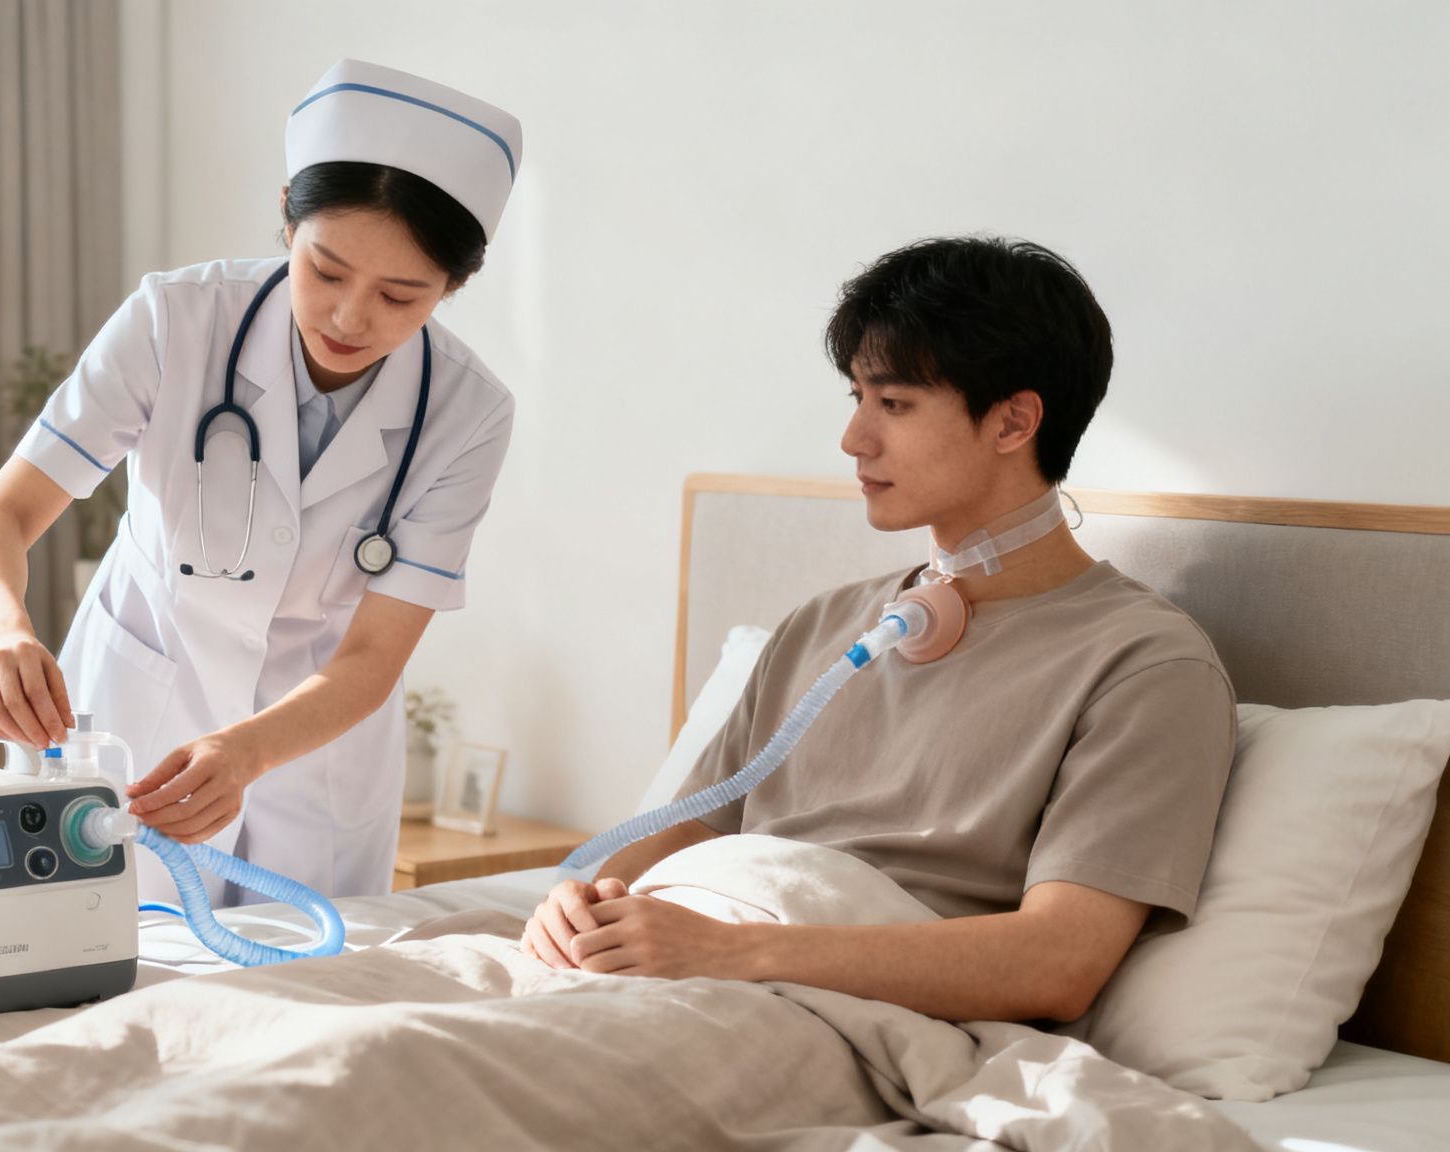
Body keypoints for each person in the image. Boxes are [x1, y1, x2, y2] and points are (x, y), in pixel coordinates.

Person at [524, 237, 1237, 1024]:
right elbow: (693, 822)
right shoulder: (822, 627)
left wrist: (734, 953)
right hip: (654, 975)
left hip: (804, 1011)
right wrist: (581, 904)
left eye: (893, 404)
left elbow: (1058, 961)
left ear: (1014, 422)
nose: (854, 439)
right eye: (856, 398)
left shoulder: (1143, 664)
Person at [0, 59, 522, 905]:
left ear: (453, 286)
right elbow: (0, 515)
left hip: (314, 750)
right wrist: (2, 631)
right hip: (139, 707)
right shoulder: (173, 321)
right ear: (287, 220)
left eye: (402, 296)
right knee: (82, 971)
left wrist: (251, 750)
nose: (351, 318)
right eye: (326, 271)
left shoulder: (467, 413)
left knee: (302, 999)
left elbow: (373, 656)